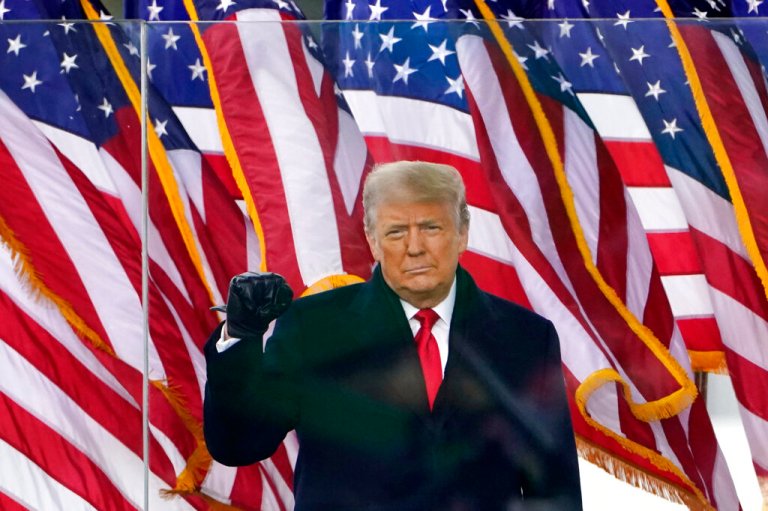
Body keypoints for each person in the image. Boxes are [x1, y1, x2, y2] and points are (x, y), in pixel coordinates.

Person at [203, 160, 582, 510]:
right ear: (372, 240)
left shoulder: (525, 337)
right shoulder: (313, 327)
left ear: (463, 233)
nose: (415, 248)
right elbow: (238, 442)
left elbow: (553, 490)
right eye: (396, 231)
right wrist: (241, 335)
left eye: (431, 228)